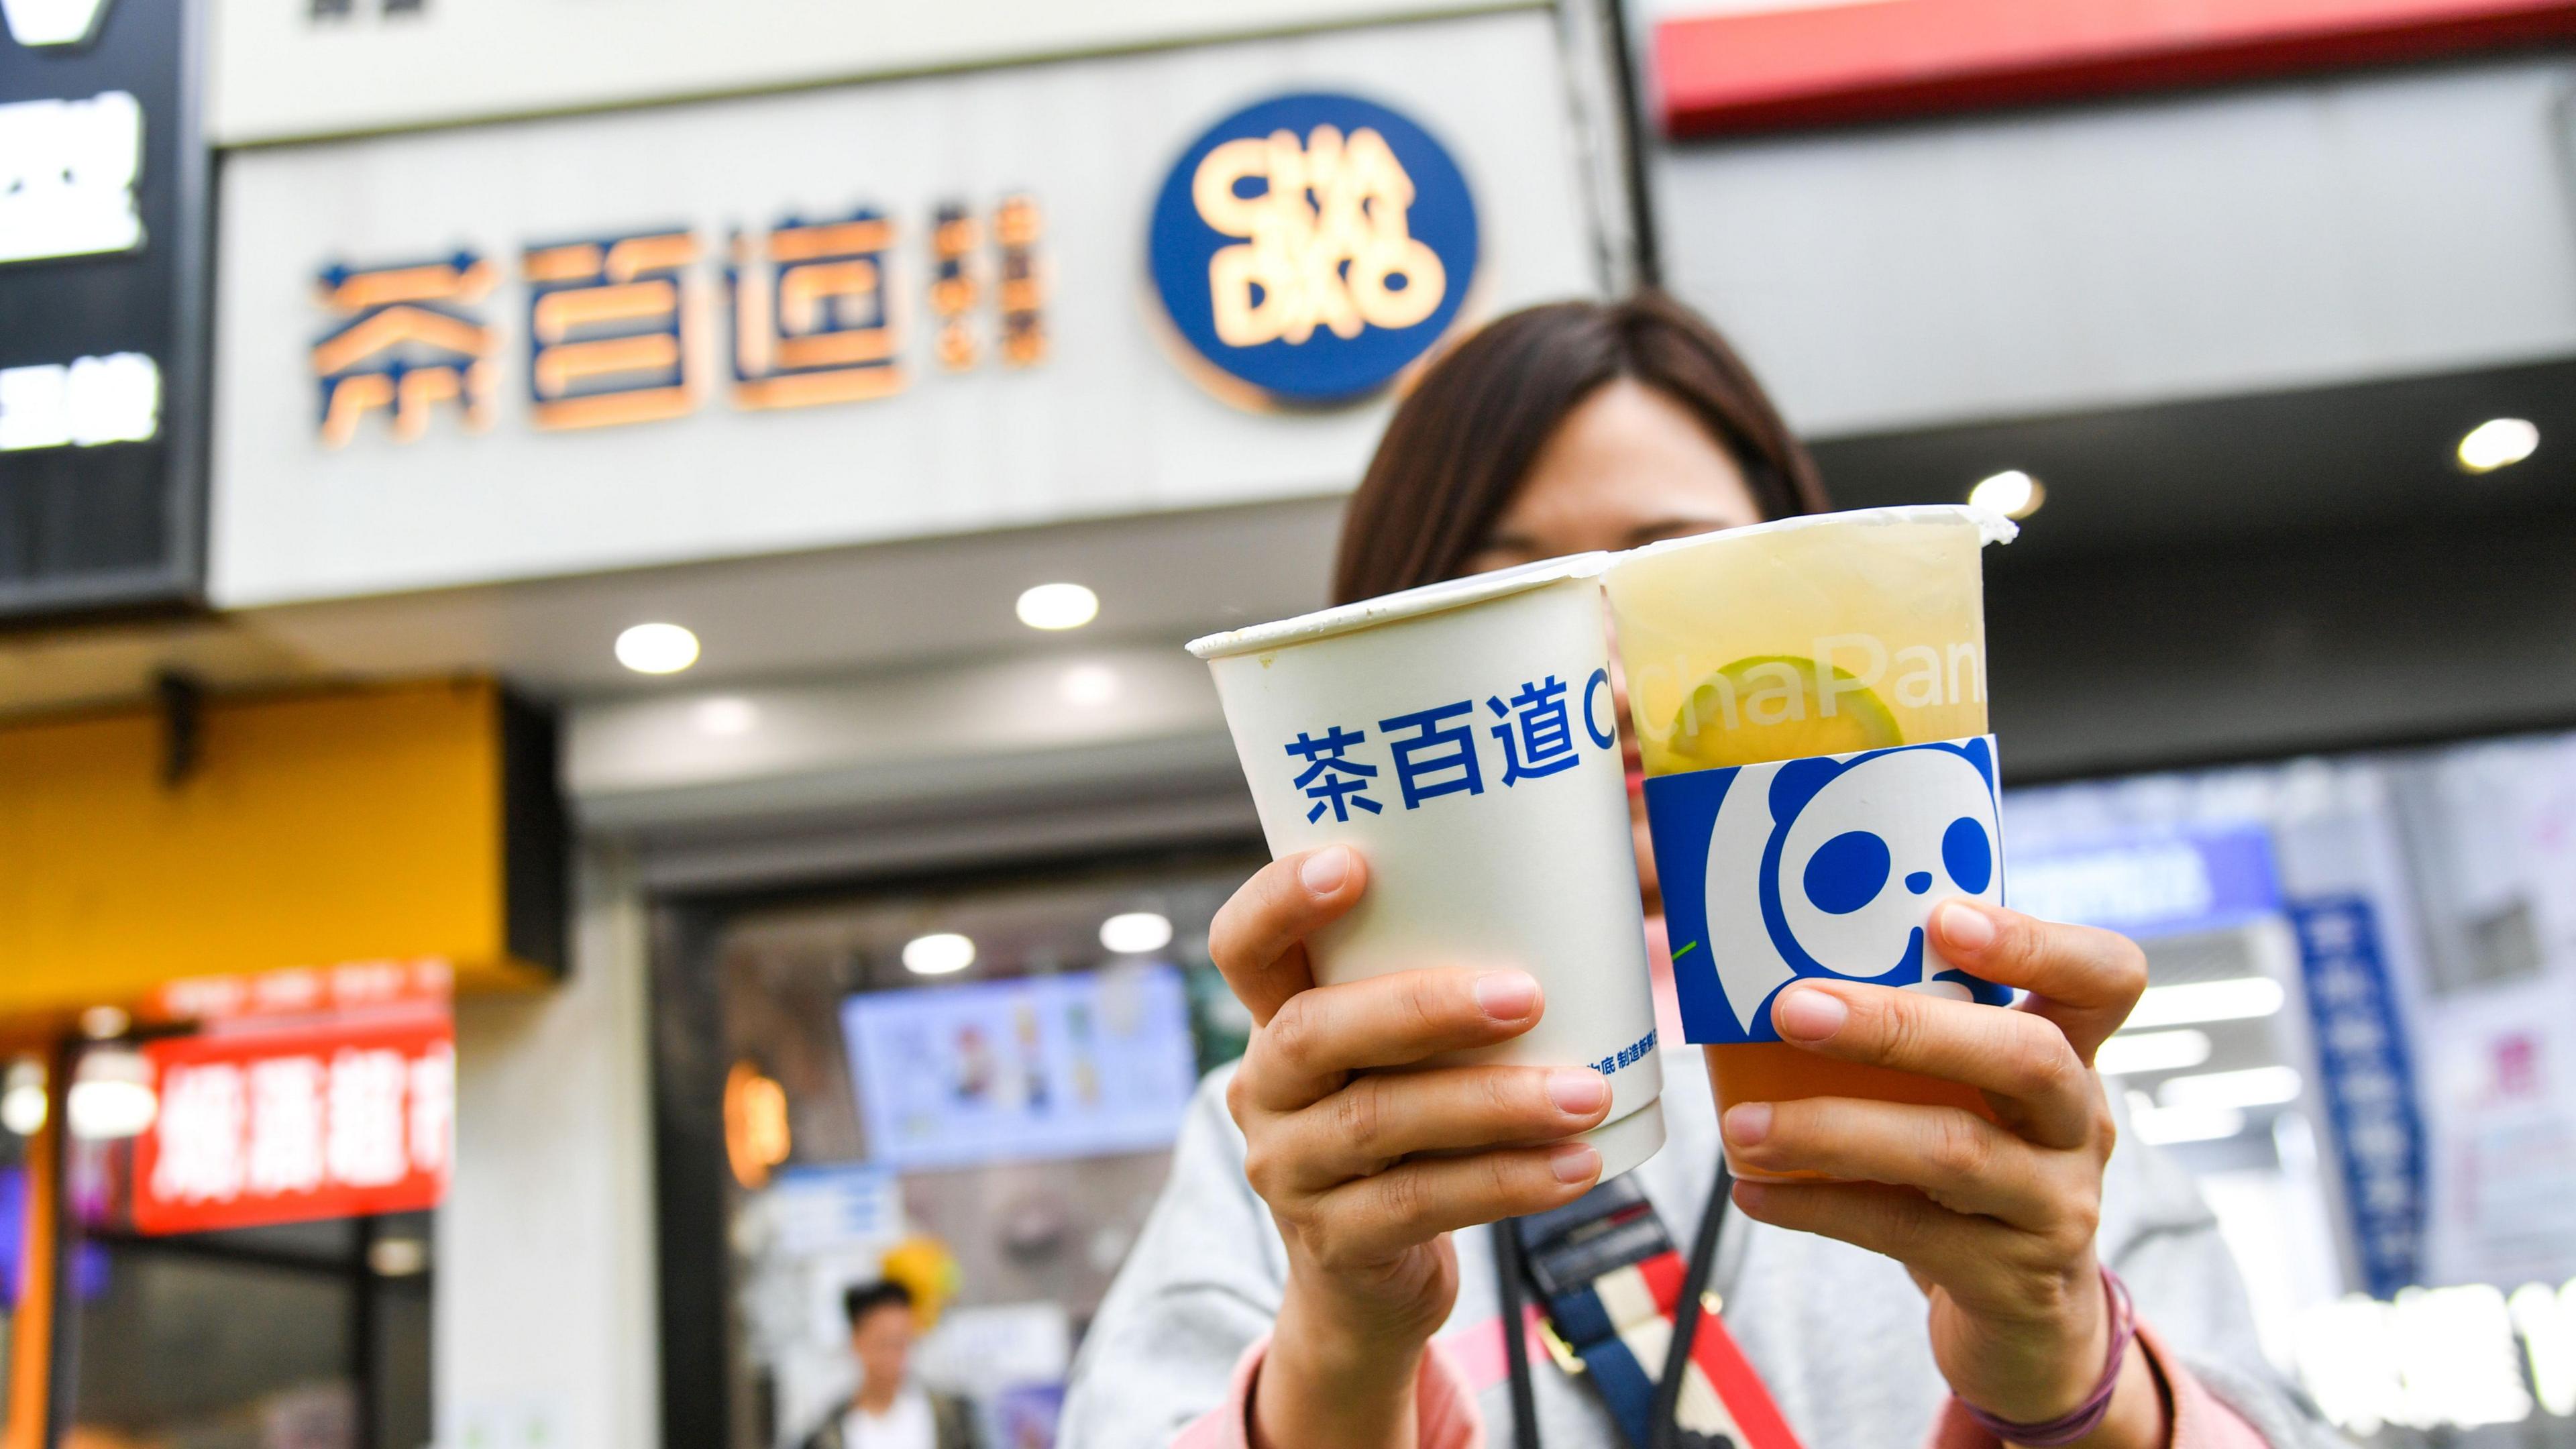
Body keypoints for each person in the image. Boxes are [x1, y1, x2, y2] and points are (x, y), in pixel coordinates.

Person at [1059, 294, 2354, 1449]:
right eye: (1508, 605)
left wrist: (2075, 1379)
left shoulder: (1999, 1081)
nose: (1612, 683)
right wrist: (1342, 1350)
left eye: (1674, 579)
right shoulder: (1300, 1141)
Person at [800, 1281, 981, 1449]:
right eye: (885, 1343)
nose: (895, 1356)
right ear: (857, 1342)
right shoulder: (826, 1437)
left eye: (903, 1342)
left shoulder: (953, 1418)